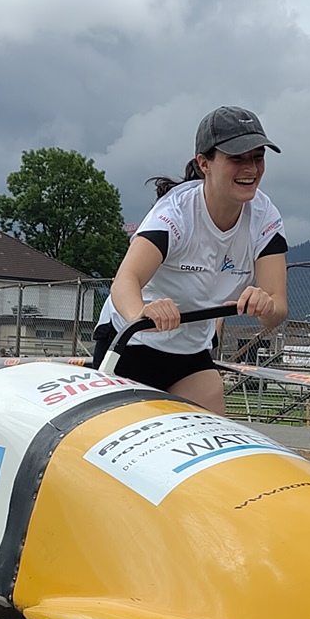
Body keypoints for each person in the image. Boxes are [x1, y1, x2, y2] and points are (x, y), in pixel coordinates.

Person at [91, 106, 289, 414]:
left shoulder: (265, 217)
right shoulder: (176, 213)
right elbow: (125, 280)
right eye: (237, 158)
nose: (251, 168)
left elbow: (278, 309)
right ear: (204, 163)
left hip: (191, 354)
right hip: (131, 345)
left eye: (257, 156)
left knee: (211, 445)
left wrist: (266, 306)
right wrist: (141, 313)